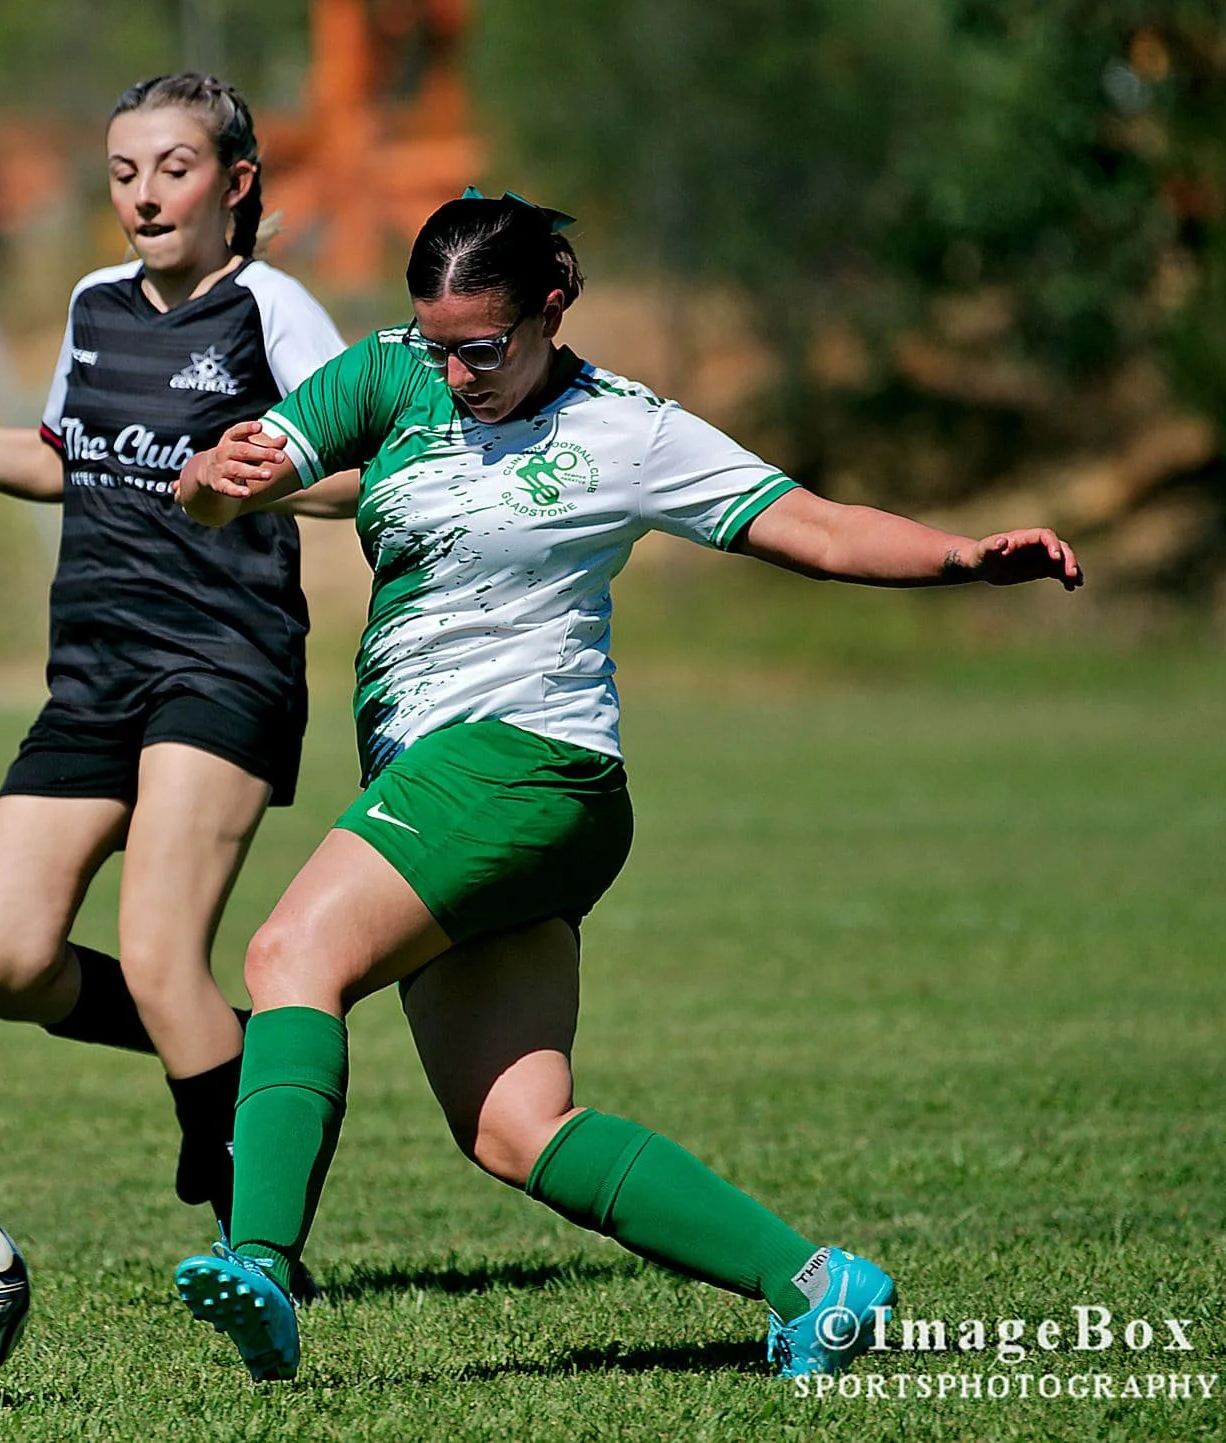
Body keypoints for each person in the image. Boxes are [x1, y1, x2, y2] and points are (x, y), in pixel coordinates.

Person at [168, 190, 1084, 1381]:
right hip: (464, 789)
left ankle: (261, 1264)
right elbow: (226, 491)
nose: (453, 373)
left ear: (552, 306)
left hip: (523, 763)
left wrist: (959, 556)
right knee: (512, 1130)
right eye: (435, 343)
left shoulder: (626, 431)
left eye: (481, 348)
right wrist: (208, 476)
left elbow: (812, 528)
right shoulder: (385, 373)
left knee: (290, 957)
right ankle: (818, 1285)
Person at [0, 74, 358, 1250]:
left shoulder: (273, 309)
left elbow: (371, 469)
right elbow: (63, 458)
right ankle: (246, 1057)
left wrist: (254, 476)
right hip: (92, 670)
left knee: (162, 956)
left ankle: (255, 1253)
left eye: (173, 168)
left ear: (235, 184)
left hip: (222, 662)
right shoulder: (94, 303)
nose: (144, 196)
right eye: (122, 172)